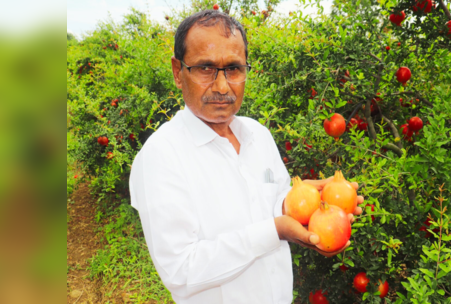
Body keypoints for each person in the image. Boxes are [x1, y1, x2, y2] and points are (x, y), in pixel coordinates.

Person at [129, 10, 364, 304]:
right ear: (178, 72)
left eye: (234, 69)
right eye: (205, 68)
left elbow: (271, 199)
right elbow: (181, 270)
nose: (222, 86)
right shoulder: (161, 157)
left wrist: (301, 205)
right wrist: (274, 232)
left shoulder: (258, 134)